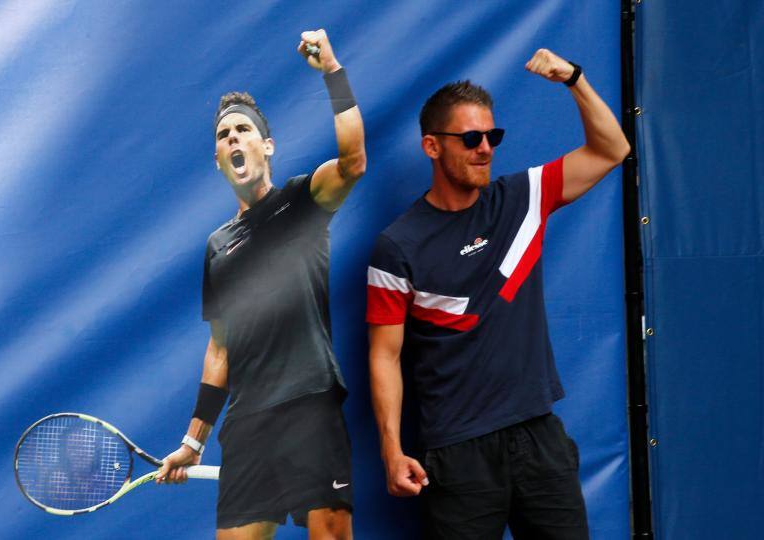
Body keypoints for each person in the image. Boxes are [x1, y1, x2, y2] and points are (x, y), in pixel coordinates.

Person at [367, 49, 630, 539]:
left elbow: (612, 149)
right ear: (432, 146)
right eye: (470, 138)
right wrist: (391, 448)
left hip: (539, 437)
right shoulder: (397, 245)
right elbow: (385, 355)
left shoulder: (522, 198)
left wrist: (574, 78)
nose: (485, 148)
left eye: (493, 137)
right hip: (458, 454)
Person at [156, 29, 365, 540]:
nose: (233, 138)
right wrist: (193, 440)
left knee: (333, 534)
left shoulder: (302, 202)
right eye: (224, 135)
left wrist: (333, 73)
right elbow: (220, 350)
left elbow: (353, 161)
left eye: (243, 129)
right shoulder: (217, 247)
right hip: (248, 421)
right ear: (219, 162)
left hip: (309, 402)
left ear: (266, 145)